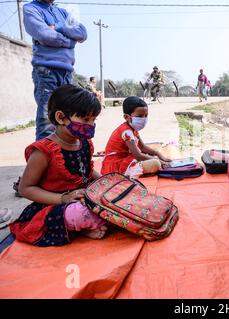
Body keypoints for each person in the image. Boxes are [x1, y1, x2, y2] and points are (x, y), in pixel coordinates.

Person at [9, 85, 107, 246]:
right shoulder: (43, 151)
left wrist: (107, 182)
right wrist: (62, 199)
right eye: (85, 119)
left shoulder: (85, 143)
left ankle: (82, 227)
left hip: (82, 197)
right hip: (53, 206)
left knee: (112, 199)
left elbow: (87, 172)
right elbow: (26, 188)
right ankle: (80, 225)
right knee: (80, 213)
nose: (91, 125)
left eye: (93, 119)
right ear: (61, 117)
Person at [23, 0, 87, 141]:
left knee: (66, 116)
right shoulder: (31, 9)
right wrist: (70, 41)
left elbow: (82, 33)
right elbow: (45, 35)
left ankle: (60, 155)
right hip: (46, 70)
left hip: (67, 72)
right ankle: (43, 159)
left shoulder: (62, 12)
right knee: (47, 118)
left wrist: (57, 27)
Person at [101, 96, 172, 178]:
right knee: (155, 163)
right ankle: (128, 173)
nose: (144, 119)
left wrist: (159, 154)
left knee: (153, 158)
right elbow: (138, 155)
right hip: (116, 165)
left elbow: (143, 147)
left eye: (146, 115)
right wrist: (159, 160)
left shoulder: (133, 129)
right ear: (126, 117)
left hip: (125, 158)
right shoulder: (126, 132)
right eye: (140, 116)